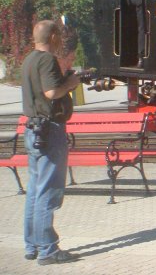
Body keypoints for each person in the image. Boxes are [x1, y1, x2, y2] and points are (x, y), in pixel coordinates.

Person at [21, 20, 81, 264]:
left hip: (34, 129)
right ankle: (48, 249)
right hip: (49, 130)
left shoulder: (28, 60)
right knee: (48, 192)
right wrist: (71, 83)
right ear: (54, 37)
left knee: (35, 190)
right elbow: (52, 92)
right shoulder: (46, 60)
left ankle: (32, 244)